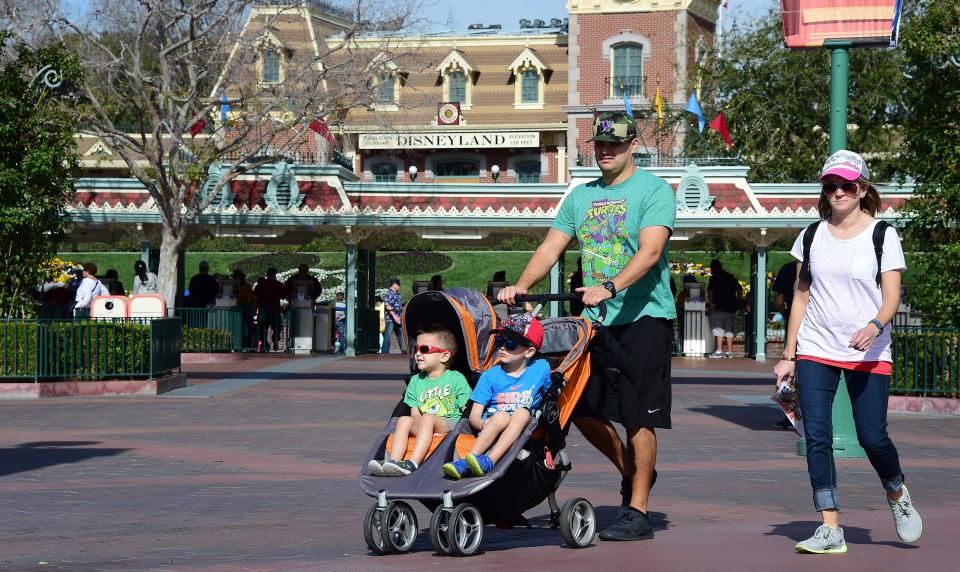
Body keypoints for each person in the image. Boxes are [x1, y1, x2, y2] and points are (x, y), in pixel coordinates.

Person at [498, 111, 676, 541]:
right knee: (576, 406)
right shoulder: (580, 197)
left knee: (638, 416)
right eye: (600, 145)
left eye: (615, 144)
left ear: (634, 144)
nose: (606, 151)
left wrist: (611, 286)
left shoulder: (654, 191)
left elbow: (651, 252)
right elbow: (551, 246)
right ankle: (632, 471)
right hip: (594, 323)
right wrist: (520, 286)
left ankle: (637, 511)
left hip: (646, 317)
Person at [774, 150, 922, 554]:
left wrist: (873, 326)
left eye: (846, 185)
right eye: (830, 185)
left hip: (870, 351)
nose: (838, 192)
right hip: (817, 348)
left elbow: (891, 297)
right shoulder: (811, 235)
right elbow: (800, 299)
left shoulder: (883, 235)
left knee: (872, 437)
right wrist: (789, 353)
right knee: (817, 437)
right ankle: (830, 526)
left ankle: (896, 492)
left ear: (862, 189)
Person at [442, 313, 550, 479]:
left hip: (523, 427)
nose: (502, 348)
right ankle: (468, 460)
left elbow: (551, 393)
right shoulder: (490, 376)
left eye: (510, 344)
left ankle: (489, 461)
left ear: (529, 352)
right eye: (499, 341)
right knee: (500, 417)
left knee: (522, 412)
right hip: (491, 426)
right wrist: (482, 423)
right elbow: (475, 414)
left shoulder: (540, 368)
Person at [369, 325, 470, 477]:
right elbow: (415, 414)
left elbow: (465, 409)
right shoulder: (416, 381)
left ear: (444, 356)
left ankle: (413, 463)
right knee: (404, 419)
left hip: (450, 423)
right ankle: (394, 462)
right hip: (425, 423)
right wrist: (425, 427)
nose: (418, 354)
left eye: (424, 350)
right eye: (416, 349)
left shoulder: (456, 378)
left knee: (427, 418)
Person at [771, 260, 798, 430]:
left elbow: (779, 301)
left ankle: (791, 416)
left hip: (796, 326)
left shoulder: (787, 268)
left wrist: (789, 316)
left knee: (791, 374)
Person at [707, 259, 743, 358]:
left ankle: (719, 351)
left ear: (713, 268)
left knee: (718, 329)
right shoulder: (730, 277)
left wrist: (711, 302)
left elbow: (711, 291)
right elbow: (740, 289)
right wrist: (739, 300)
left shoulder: (714, 278)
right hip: (731, 306)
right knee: (729, 330)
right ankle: (730, 351)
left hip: (718, 306)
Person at [253, 267, 286, 352]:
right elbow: (283, 295)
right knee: (277, 327)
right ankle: (275, 339)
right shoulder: (278, 284)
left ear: (267, 274)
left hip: (263, 309)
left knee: (263, 328)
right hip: (275, 309)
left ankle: (265, 345)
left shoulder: (260, 284)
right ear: (275, 275)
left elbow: (255, 296)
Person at [380, 278, 404, 354]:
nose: (399, 286)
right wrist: (395, 316)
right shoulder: (388, 294)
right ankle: (384, 352)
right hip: (391, 319)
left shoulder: (397, 294)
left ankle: (404, 351)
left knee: (400, 335)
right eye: (398, 284)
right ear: (394, 284)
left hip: (398, 318)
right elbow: (388, 306)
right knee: (387, 336)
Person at [233, 269, 256, 349]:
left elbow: (252, 300)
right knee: (238, 328)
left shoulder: (247, 287)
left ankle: (248, 346)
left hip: (246, 310)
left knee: (248, 328)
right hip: (237, 310)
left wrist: (253, 310)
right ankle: (238, 345)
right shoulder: (232, 288)